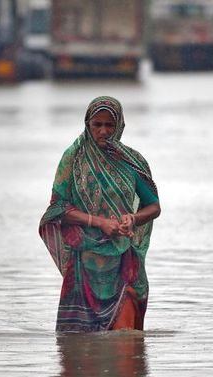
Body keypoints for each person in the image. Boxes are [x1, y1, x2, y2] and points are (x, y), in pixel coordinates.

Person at [39, 96, 161, 332]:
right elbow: (56, 209)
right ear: (88, 125)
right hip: (84, 264)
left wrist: (132, 219)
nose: (103, 131)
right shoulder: (73, 160)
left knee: (126, 343)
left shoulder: (131, 162)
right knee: (79, 353)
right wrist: (99, 222)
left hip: (123, 261)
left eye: (109, 125)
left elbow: (154, 206)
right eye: (97, 125)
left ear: (120, 126)